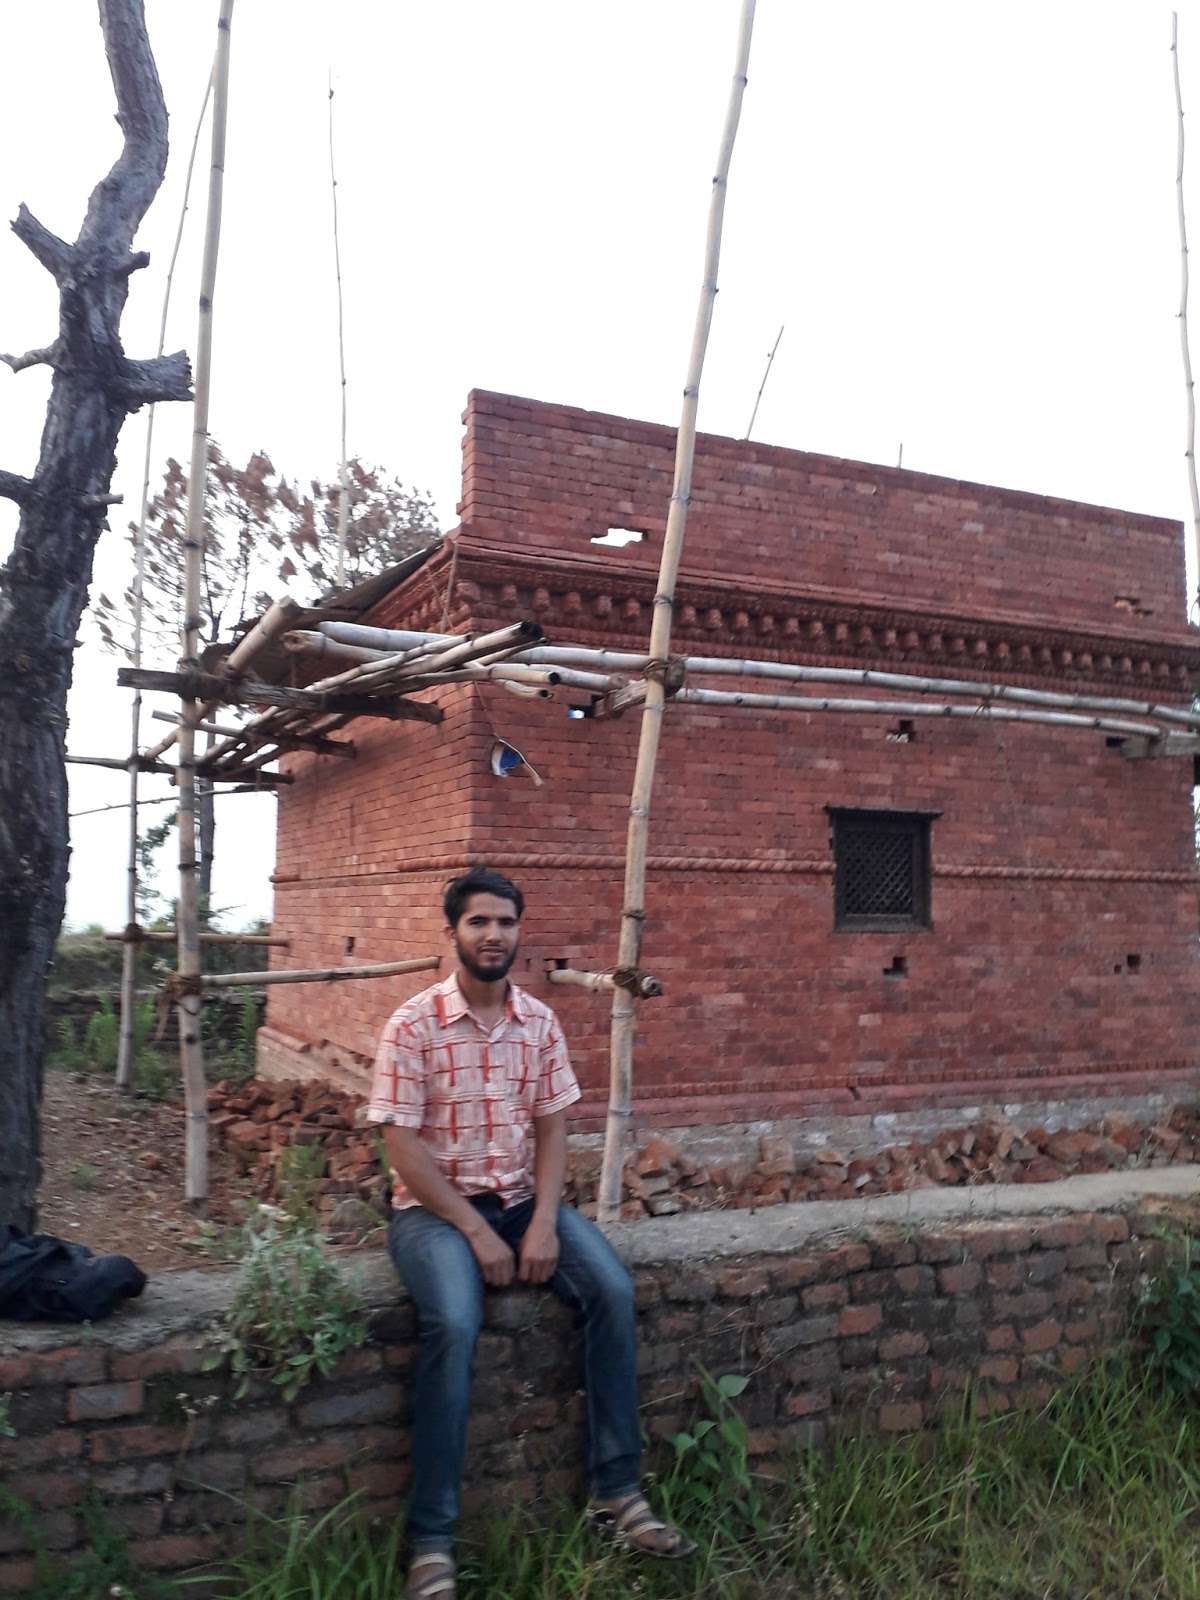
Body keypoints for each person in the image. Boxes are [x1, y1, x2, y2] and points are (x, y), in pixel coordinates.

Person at [369, 866, 695, 1600]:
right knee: (455, 1320)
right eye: (479, 922)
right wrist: (474, 1232)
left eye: (505, 922)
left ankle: (616, 1493)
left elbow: (552, 1128)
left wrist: (543, 1222)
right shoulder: (413, 1024)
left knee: (612, 1291)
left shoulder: (539, 1023)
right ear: (452, 932)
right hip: (432, 1215)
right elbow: (402, 1147)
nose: (494, 935)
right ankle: (432, 1543)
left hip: (520, 1203)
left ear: (519, 932)